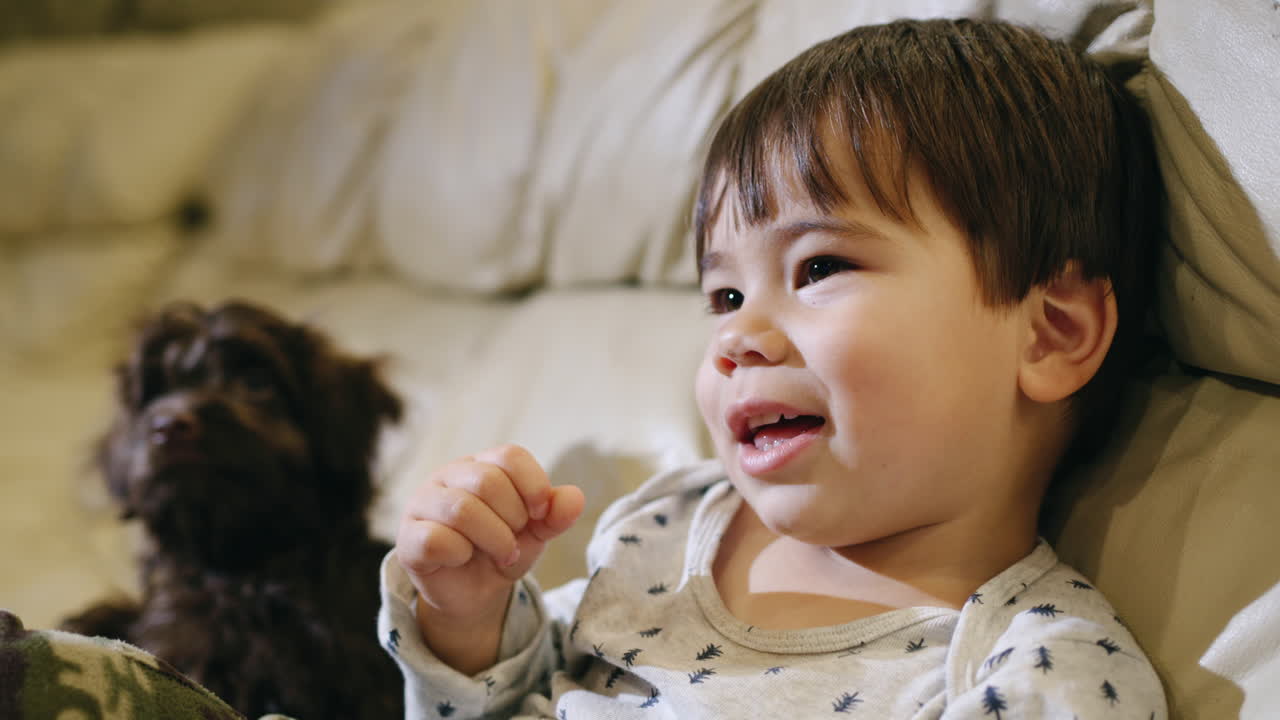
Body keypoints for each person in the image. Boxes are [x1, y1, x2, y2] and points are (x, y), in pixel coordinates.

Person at [380, 18, 1167, 718]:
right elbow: (517, 690)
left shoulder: (1038, 673)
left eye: (819, 268)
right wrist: (470, 620)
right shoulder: (671, 521)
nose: (736, 336)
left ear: (1050, 335)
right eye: (724, 294)